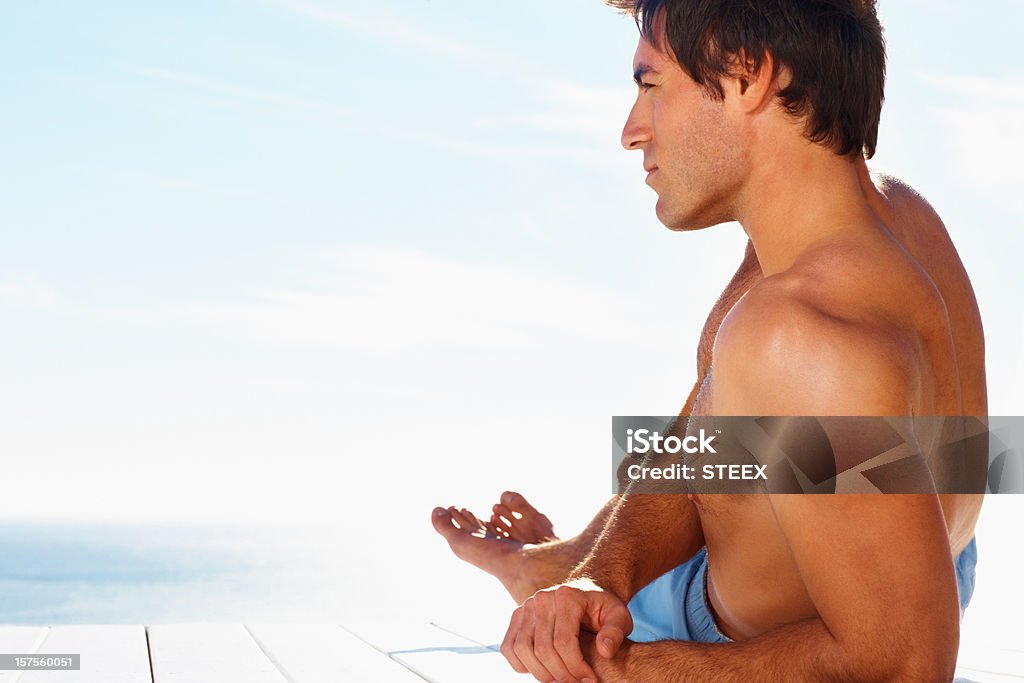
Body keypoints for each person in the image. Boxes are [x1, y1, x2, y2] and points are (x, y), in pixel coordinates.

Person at [432, 0, 986, 680]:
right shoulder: (894, 216)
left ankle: (554, 565)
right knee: (730, 419)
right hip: (923, 566)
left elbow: (904, 661)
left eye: (649, 84)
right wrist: (598, 574)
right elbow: (717, 433)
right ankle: (566, 561)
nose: (632, 131)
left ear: (749, 75)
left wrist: (609, 661)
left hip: (760, 632)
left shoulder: (799, 335)